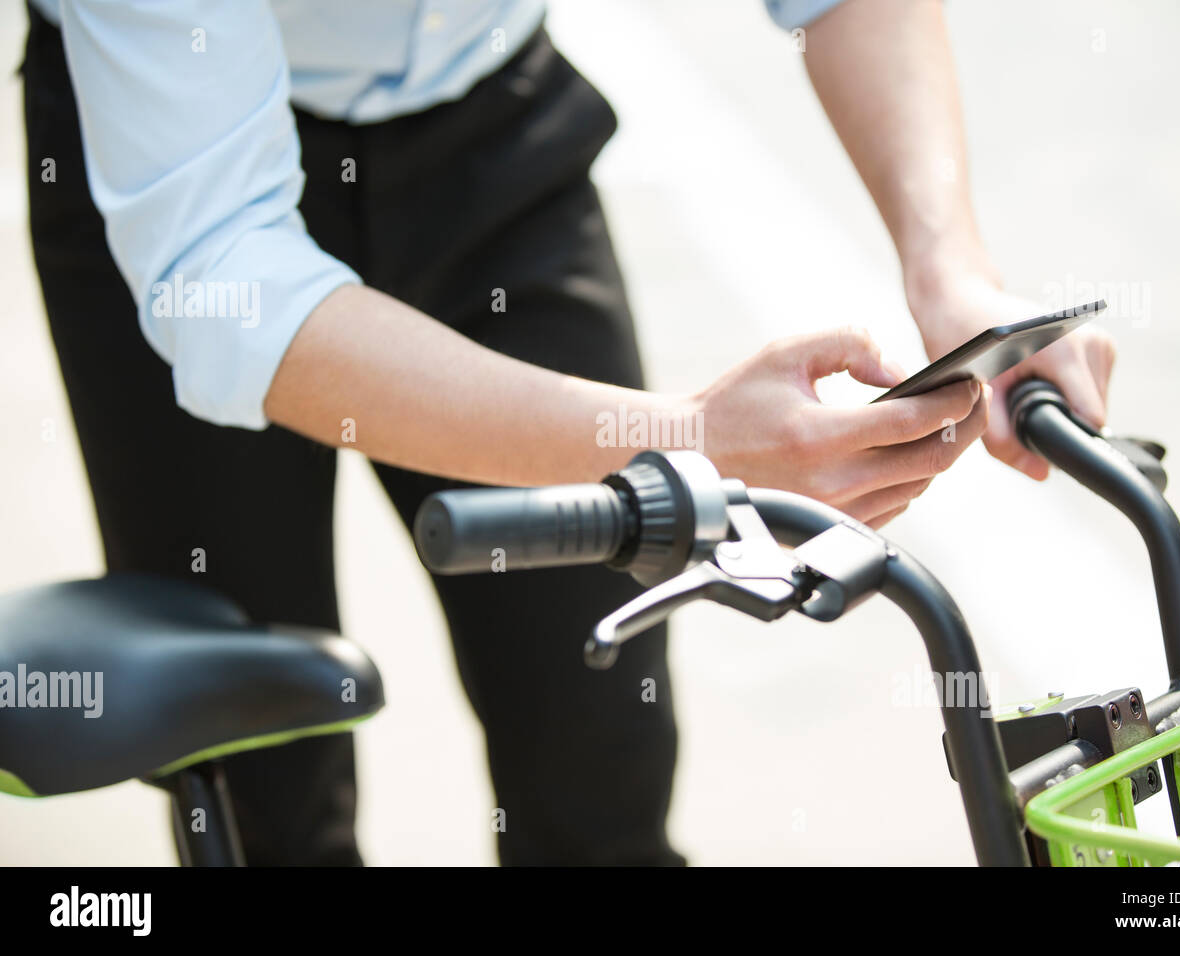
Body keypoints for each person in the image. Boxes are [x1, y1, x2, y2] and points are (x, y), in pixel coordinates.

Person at [21, 0, 1113, 865]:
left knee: (598, 762)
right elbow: (230, 280)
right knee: (257, 767)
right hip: (166, 156)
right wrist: (686, 436)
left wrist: (948, 264)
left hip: (485, 115)